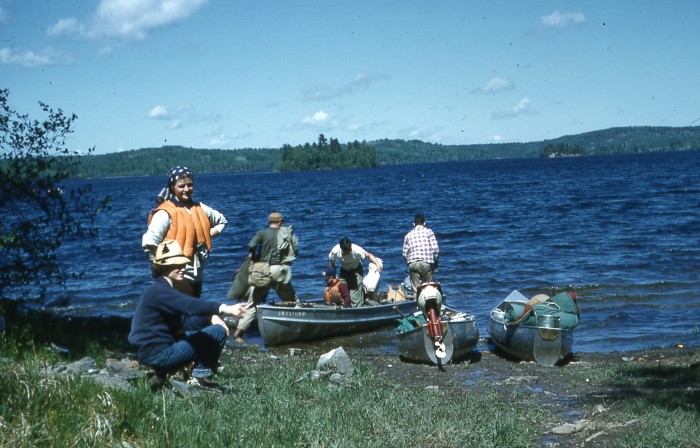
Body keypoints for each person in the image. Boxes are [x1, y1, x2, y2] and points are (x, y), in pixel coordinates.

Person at [128, 240, 245, 385]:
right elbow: (190, 306)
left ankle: (186, 372)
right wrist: (225, 308)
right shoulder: (160, 291)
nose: (182, 268)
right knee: (218, 332)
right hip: (157, 354)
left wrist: (209, 318)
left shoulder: (161, 288)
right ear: (164, 267)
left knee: (201, 331)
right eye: (176, 265)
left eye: (183, 264)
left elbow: (185, 322)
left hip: (151, 351)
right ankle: (200, 377)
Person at [142, 166, 227, 297]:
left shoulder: (200, 208)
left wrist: (205, 235)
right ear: (172, 187)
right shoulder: (165, 213)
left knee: (193, 312)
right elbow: (149, 242)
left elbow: (222, 221)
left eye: (190, 185)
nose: (186, 189)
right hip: (175, 277)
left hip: (197, 274)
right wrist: (160, 270)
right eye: (181, 186)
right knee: (180, 314)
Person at [233, 212, 298, 342]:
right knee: (292, 300)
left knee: (251, 304)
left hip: (262, 271)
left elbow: (251, 245)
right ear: (280, 222)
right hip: (279, 270)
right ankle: (298, 326)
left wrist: (252, 254)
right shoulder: (285, 233)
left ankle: (239, 334)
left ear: (270, 221)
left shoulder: (262, 233)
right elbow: (295, 250)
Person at [328, 237, 382, 307]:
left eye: (350, 250)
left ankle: (361, 298)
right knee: (340, 292)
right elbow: (332, 263)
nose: (349, 252)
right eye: (347, 251)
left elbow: (368, 255)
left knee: (355, 301)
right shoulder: (335, 251)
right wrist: (333, 277)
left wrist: (377, 265)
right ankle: (345, 307)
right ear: (341, 249)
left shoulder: (356, 250)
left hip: (356, 270)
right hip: (344, 270)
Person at [402, 213, 439, 292]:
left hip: (413, 263)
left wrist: (409, 263)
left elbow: (404, 254)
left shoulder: (408, 235)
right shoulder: (429, 232)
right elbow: (435, 250)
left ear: (414, 224)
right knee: (430, 286)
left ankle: (417, 301)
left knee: (417, 289)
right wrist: (436, 263)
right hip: (426, 263)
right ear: (424, 223)